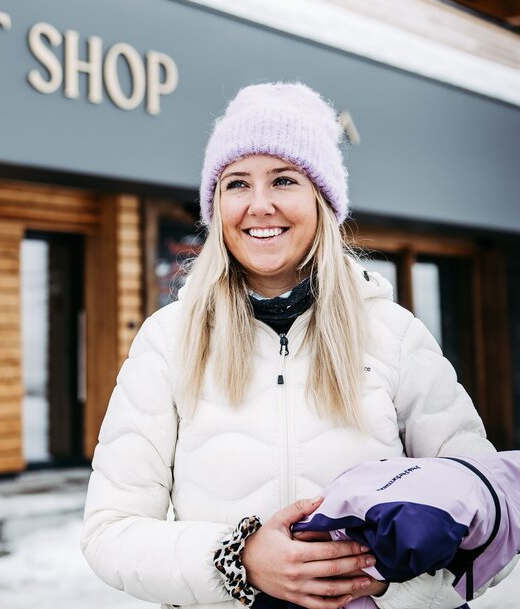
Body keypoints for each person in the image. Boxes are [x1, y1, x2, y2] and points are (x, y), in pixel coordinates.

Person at [81, 83, 512, 609]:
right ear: (215, 206)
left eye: (283, 180)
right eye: (237, 184)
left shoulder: (395, 336)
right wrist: (237, 559)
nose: (258, 205)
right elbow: (111, 532)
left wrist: (385, 583)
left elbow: (487, 514)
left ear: (322, 201)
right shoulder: (168, 341)